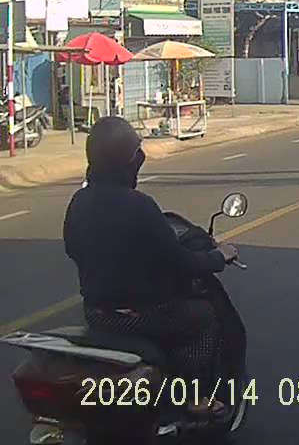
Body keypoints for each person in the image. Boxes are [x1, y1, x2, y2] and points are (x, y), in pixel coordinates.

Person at [63, 116, 237, 417]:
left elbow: (73, 250)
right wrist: (219, 257)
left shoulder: (79, 201)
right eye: (136, 153)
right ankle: (193, 397)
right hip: (140, 315)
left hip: (97, 314)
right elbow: (180, 262)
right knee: (205, 318)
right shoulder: (139, 205)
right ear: (128, 161)